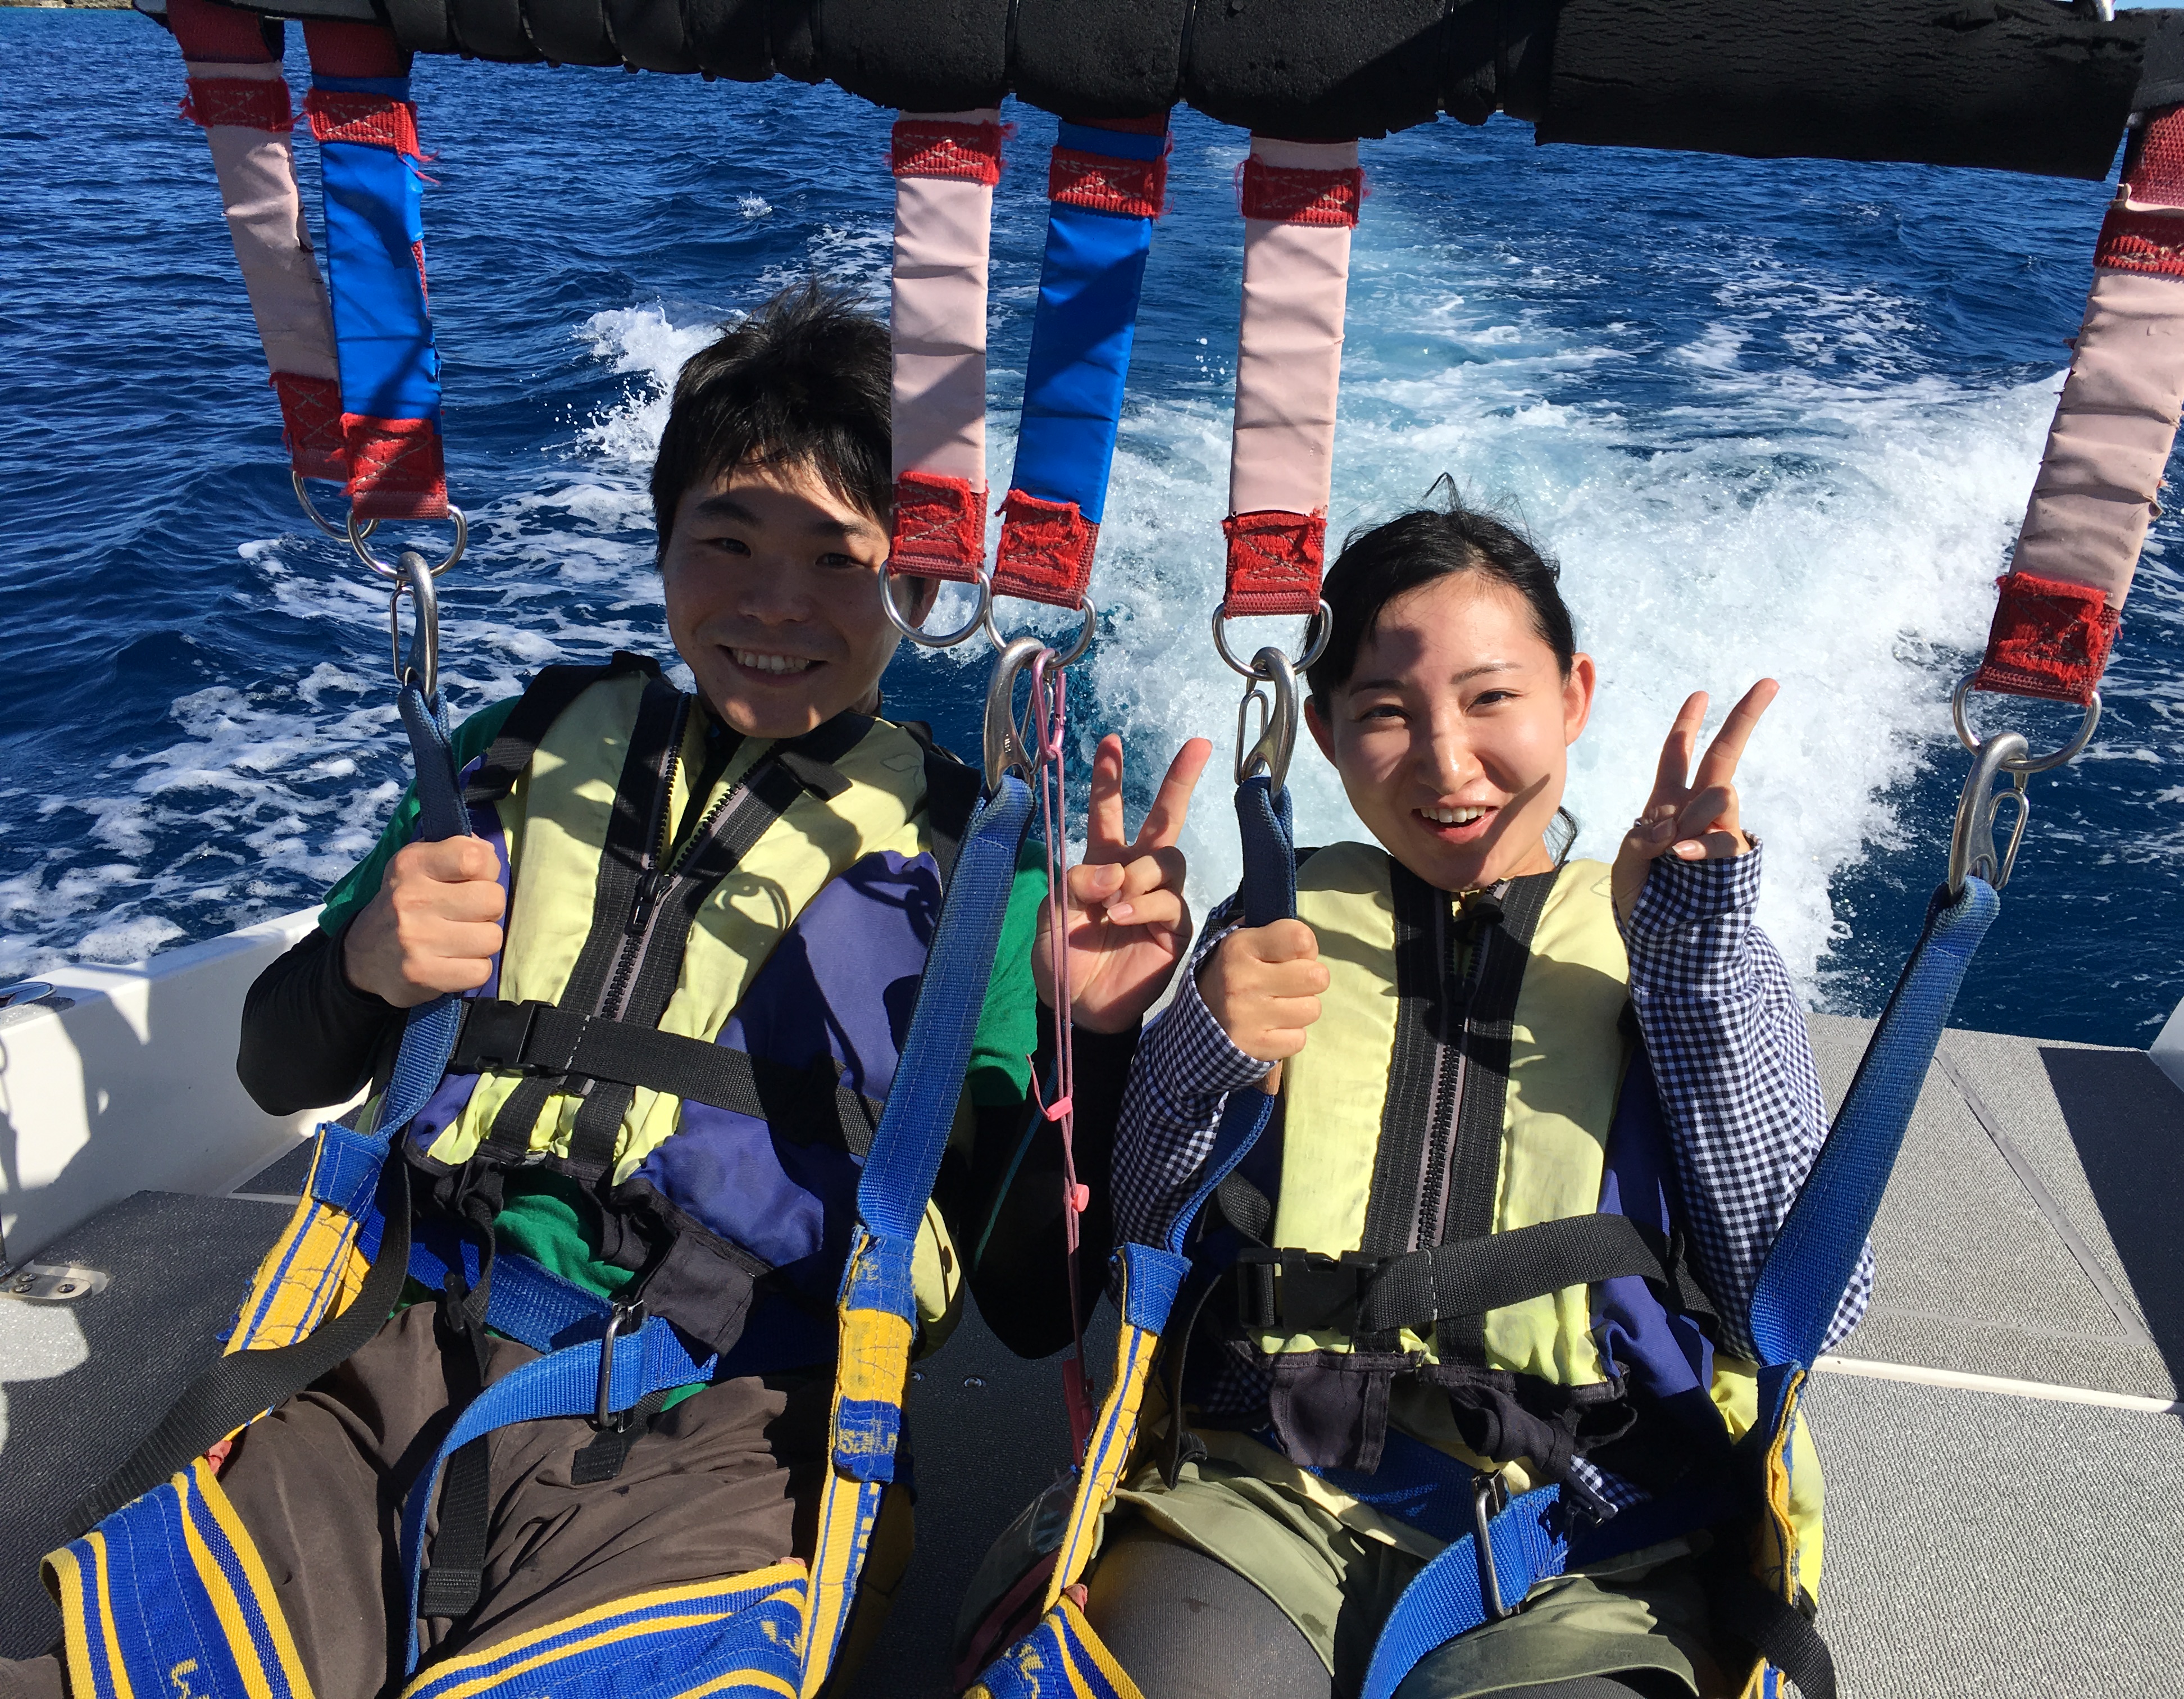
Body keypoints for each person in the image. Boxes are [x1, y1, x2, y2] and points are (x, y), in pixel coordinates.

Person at [3, 281, 1205, 1699]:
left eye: (839, 561)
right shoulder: (515, 754)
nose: (774, 603)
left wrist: (1097, 1033)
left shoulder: (984, 878)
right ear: (660, 545)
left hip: (737, 1430)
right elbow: (280, 1068)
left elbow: (1028, 1306)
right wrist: (366, 961)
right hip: (396, 1352)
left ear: (921, 591)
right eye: (727, 542)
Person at [1071, 493, 1871, 1699]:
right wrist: (1191, 1048)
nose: (1448, 764)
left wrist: (1692, 971)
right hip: (1264, 1493)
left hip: (1593, 1539)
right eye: (1386, 713)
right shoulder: (1273, 928)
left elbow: (1806, 1305)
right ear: (1325, 736)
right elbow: (1141, 1248)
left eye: (1492, 698)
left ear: (1575, 698)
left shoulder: (1686, 955)